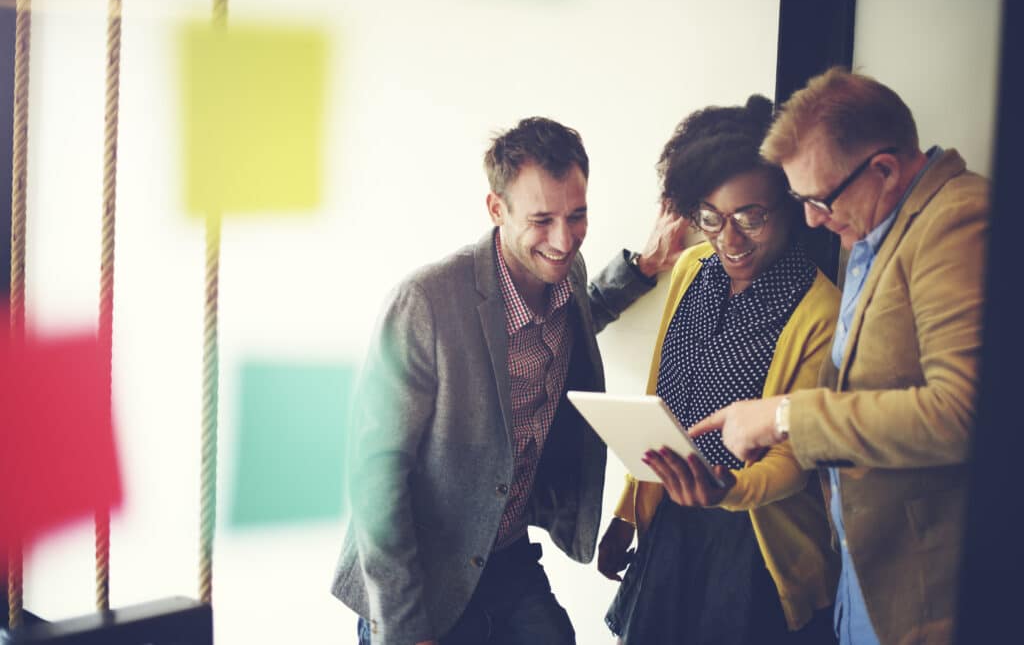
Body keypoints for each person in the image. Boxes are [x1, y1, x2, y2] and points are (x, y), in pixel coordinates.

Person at [330, 116, 687, 645]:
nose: (564, 240)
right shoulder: (425, 303)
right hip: (421, 576)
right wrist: (404, 628)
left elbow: (578, 316)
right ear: (497, 209)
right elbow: (374, 476)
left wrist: (643, 268)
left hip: (507, 555)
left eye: (578, 215)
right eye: (541, 219)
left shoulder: (565, 269)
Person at [690, 68, 989, 645]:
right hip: (862, 575)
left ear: (883, 168)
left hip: (920, 593)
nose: (810, 220)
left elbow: (964, 412)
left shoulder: (957, 218)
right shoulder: (875, 226)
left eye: (819, 199)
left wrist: (783, 415)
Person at [598, 95, 841, 644]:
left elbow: (795, 461)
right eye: (710, 218)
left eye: (749, 218)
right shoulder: (691, 267)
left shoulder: (818, 310)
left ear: (788, 201)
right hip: (672, 527)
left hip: (754, 549)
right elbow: (663, 405)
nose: (729, 240)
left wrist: (725, 489)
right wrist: (629, 510)